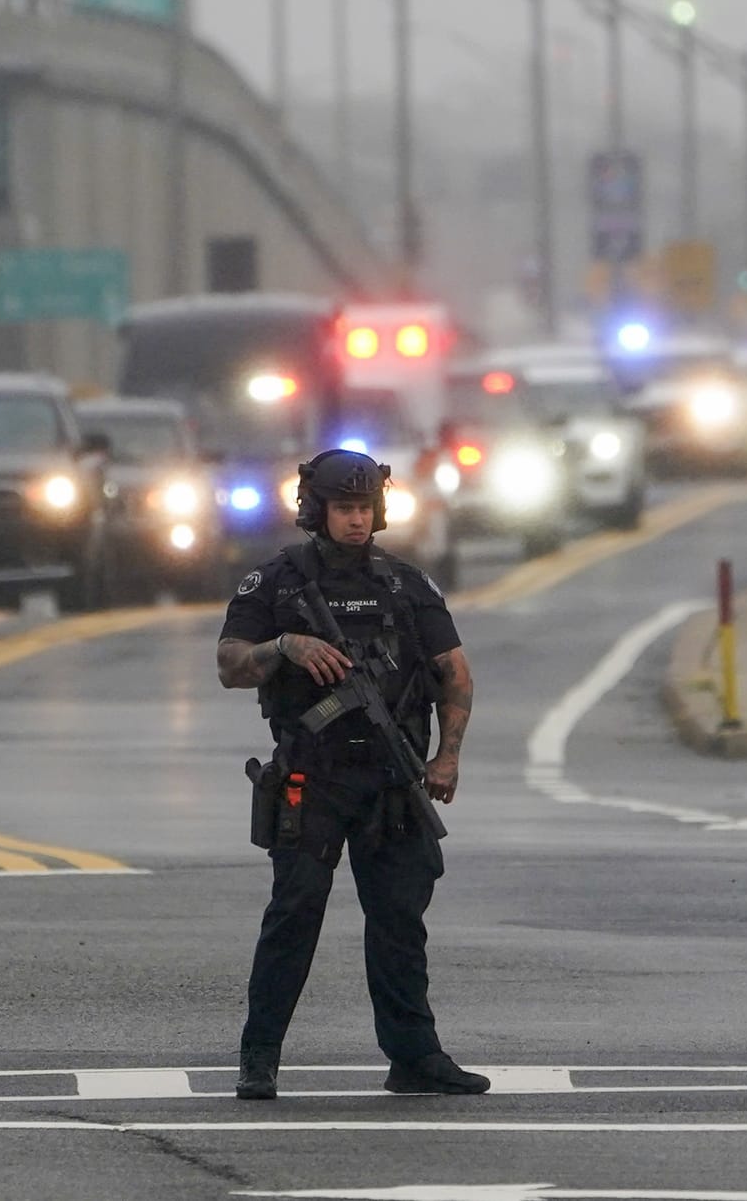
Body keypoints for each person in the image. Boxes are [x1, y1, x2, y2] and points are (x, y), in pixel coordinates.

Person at [216, 447, 485, 1102]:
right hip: (314, 777)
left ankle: (415, 1057)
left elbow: (454, 672)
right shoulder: (277, 582)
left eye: (364, 508)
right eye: (344, 508)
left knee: (399, 919)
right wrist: (285, 647)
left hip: (391, 783)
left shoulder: (405, 585)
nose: (356, 521)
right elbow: (228, 663)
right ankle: (260, 1057)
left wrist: (446, 756)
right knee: (295, 912)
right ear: (317, 510)